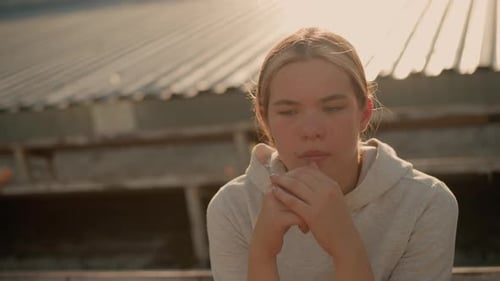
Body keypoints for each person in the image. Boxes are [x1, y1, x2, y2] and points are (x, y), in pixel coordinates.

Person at [206, 27, 458, 281]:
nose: (311, 130)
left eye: (333, 108)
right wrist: (262, 253)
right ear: (264, 118)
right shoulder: (233, 208)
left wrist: (346, 248)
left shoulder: (425, 203)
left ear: (364, 113)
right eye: (288, 112)